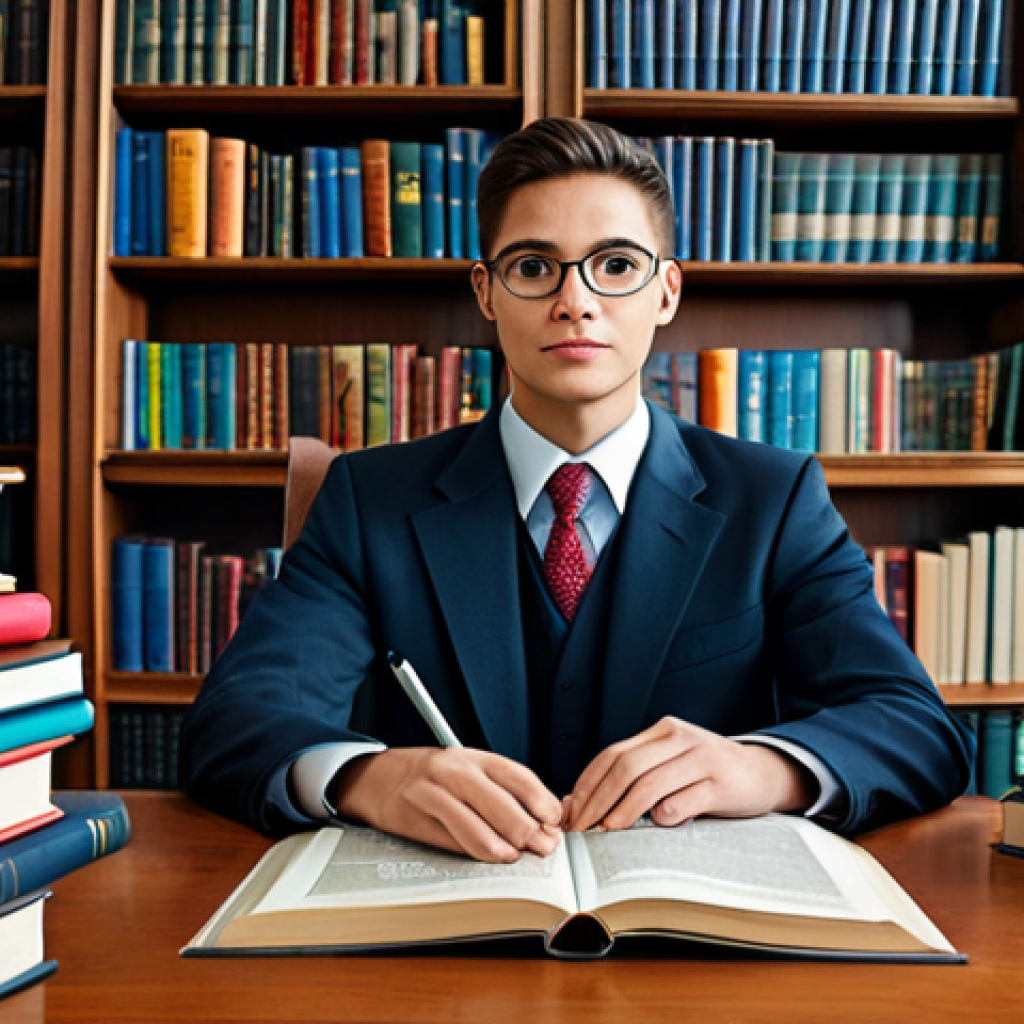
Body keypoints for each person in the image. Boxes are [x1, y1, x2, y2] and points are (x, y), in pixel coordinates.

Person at [179, 117, 973, 863]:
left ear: (666, 292)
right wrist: (366, 778)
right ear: (486, 293)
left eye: (616, 265)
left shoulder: (775, 499)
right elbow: (233, 723)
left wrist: (762, 769)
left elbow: (915, 729)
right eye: (533, 267)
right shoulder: (368, 499)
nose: (576, 301)